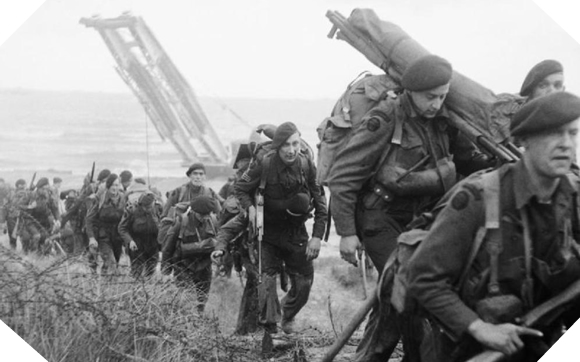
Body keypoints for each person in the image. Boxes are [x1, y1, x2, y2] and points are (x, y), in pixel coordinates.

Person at [327, 55, 493, 361]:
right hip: (380, 217)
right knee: (409, 290)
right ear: (411, 91)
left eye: (442, 96)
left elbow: (467, 162)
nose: (436, 104)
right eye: (430, 97)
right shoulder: (385, 118)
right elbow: (343, 176)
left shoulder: (444, 121)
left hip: (419, 222)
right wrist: (347, 233)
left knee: (394, 298)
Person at [407, 91, 580, 362]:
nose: (566, 145)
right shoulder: (478, 198)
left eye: (573, 133)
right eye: (553, 134)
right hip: (473, 346)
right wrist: (480, 329)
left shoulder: (574, 199)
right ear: (523, 140)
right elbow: (422, 277)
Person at [232, 121, 328, 334]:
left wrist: (317, 237)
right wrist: (250, 209)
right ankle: (271, 330)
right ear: (277, 146)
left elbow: (321, 203)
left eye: (295, 144)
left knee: (304, 284)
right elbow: (240, 188)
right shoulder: (264, 163)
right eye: (286, 145)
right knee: (266, 282)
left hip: (296, 233)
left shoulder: (306, 165)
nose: (292, 150)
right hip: (267, 233)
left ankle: (285, 314)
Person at [162, 195, 220, 313]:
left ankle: (198, 321)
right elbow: (168, 248)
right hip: (183, 266)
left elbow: (219, 241)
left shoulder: (213, 221)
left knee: (202, 299)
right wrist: (166, 272)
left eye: (207, 214)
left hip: (204, 266)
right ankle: (185, 323)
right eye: (202, 215)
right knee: (187, 299)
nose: (205, 218)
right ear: (194, 211)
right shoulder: (181, 222)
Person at [85, 173, 125, 274]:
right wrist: (91, 238)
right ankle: (111, 285)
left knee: (114, 262)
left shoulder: (123, 199)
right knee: (112, 263)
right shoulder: (101, 199)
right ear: (108, 185)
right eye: (112, 185)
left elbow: (128, 218)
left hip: (117, 237)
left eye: (117, 185)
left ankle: (103, 282)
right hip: (104, 236)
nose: (114, 188)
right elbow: (89, 219)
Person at [118, 191, 161, 279]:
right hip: (137, 244)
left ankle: (149, 289)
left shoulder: (158, 208)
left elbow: (164, 223)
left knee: (151, 270)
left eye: (149, 207)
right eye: (145, 207)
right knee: (137, 271)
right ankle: (136, 289)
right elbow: (122, 228)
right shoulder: (132, 210)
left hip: (153, 244)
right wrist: (130, 241)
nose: (147, 209)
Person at [4, 179, 28, 250]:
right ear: (19, 185)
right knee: (16, 237)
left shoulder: (26, 192)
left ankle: (16, 252)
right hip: (15, 217)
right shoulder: (13, 193)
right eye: (23, 184)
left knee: (20, 237)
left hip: (16, 217)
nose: (24, 186)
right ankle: (17, 252)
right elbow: (5, 205)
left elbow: (5, 205)